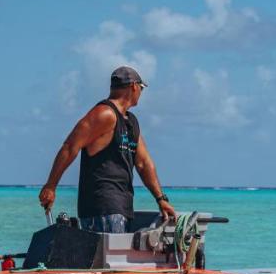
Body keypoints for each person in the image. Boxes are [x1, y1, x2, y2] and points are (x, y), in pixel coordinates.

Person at [38, 66, 177, 232]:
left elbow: (144, 163)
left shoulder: (130, 121)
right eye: (141, 88)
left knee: (118, 257)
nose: (141, 92)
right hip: (101, 206)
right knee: (105, 257)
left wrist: (161, 199)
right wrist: (51, 186)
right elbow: (70, 147)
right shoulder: (104, 114)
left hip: (123, 207)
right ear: (134, 86)